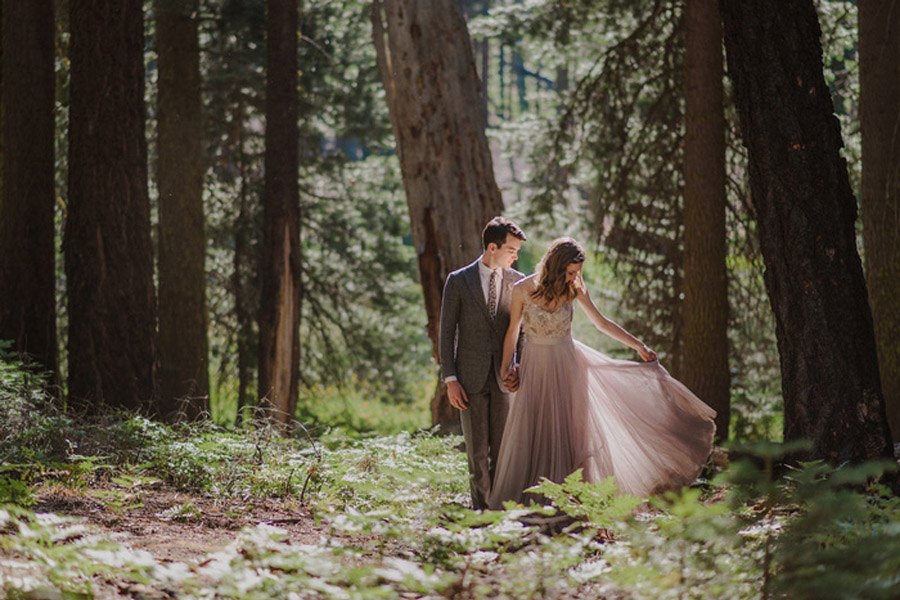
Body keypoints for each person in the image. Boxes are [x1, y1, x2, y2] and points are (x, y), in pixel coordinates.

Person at [489, 237, 716, 508]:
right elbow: (512, 330)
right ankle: (531, 502)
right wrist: (506, 366)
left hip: (567, 366)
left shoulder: (575, 289)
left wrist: (638, 345)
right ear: (555, 265)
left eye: (577, 272)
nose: (574, 277)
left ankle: (570, 503)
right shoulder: (521, 289)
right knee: (534, 428)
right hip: (535, 366)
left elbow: (601, 323)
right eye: (570, 271)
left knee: (569, 433)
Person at [439, 217, 527, 510]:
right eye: (511, 250)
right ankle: (481, 514)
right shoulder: (459, 281)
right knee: (477, 454)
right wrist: (450, 378)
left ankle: (500, 513)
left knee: (502, 453)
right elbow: (446, 332)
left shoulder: (518, 281)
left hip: (505, 379)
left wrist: (520, 368)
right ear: (492, 247)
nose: (516, 256)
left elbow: (523, 332)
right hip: (469, 379)